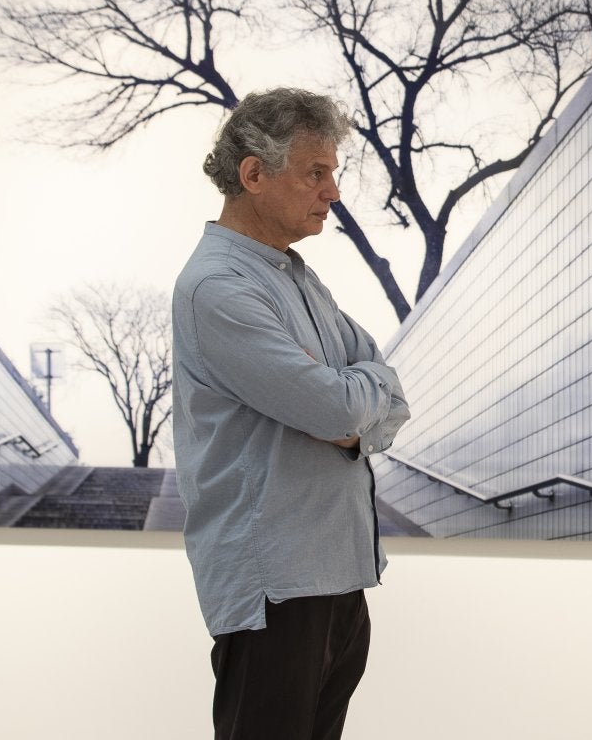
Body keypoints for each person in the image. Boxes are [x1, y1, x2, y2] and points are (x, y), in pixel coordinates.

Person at [171, 87, 410, 740]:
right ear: (253, 174)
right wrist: (354, 394)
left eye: (333, 172)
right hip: (276, 591)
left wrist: (355, 394)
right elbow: (337, 407)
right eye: (316, 171)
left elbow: (387, 390)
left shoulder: (296, 276)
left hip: (335, 582)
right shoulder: (219, 287)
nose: (332, 190)